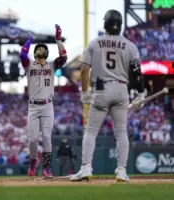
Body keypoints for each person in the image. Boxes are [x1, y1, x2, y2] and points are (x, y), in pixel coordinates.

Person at [69, 10, 146, 182]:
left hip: (101, 89)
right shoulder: (130, 45)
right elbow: (137, 72)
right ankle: (121, 171)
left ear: (105, 23)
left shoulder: (95, 43)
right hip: (121, 89)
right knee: (121, 133)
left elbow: (83, 69)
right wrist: (141, 93)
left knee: (90, 131)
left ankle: (86, 168)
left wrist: (85, 92)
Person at [19, 24, 67, 178]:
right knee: (32, 139)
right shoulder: (29, 65)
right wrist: (29, 40)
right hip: (33, 106)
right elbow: (22, 56)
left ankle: (47, 168)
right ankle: (33, 161)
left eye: (42, 48)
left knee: (46, 136)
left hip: (47, 105)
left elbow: (64, 57)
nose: (40, 50)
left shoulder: (52, 65)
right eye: (37, 48)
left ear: (46, 52)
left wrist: (58, 40)